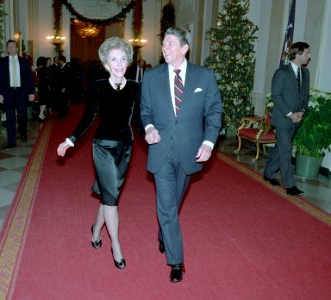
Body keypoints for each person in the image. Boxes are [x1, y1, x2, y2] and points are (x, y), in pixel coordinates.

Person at [140, 27, 222, 283]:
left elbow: (214, 112)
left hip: (190, 152)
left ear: (184, 48)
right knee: (166, 206)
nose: (165, 47)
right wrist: (150, 128)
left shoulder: (204, 76)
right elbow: (145, 111)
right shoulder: (151, 77)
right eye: (163, 43)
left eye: (171, 43)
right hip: (161, 150)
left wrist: (209, 143)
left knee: (173, 204)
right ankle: (176, 261)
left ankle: (164, 232)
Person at [57, 37, 141, 270]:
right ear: (105, 63)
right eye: (114, 59)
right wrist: (69, 140)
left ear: (128, 61)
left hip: (125, 148)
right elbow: (88, 118)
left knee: (108, 195)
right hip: (103, 147)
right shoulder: (97, 86)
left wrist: (154, 135)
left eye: (123, 59)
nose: (119, 63)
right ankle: (116, 246)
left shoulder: (135, 88)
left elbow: (139, 121)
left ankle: (96, 230)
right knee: (112, 199)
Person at [263, 42, 310, 196]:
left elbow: (305, 96)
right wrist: (290, 114)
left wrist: (301, 112)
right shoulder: (281, 72)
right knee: (286, 150)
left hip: (297, 118)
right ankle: (290, 185)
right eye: (307, 53)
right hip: (284, 119)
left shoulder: (306, 73)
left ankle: (269, 173)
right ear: (298, 53)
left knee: (281, 148)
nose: (309, 56)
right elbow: (276, 96)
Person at [0, 40, 35, 148]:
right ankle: (11, 142)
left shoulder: (24, 61)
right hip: (7, 93)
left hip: (21, 92)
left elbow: (30, 78)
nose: (11, 48)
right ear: (7, 49)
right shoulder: (2, 61)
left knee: (22, 116)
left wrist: (31, 92)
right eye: (8, 47)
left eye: (13, 46)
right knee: (10, 117)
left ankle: (23, 132)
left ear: (17, 48)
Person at [36, 56, 52, 122]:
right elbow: (47, 79)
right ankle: (40, 114)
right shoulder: (44, 69)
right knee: (45, 101)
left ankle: (42, 114)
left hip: (40, 86)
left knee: (41, 101)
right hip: (45, 86)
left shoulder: (38, 69)